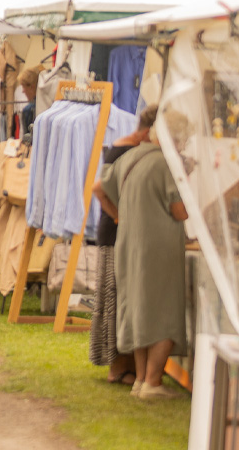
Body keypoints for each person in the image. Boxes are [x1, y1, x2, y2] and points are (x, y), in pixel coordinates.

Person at [93, 109, 188, 400]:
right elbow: (179, 211)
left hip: (129, 244)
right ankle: (153, 382)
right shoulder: (166, 164)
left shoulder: (130, 157)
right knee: (165, 314)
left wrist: (120, 216)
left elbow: (99, 187)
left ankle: (142, 381)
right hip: (159, 246)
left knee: (138, 311)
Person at [89, 106, 156, 387]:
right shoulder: (125, 150)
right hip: (115, 235)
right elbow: (98, 189)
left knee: (117, 299)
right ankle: (117, 368)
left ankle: (122, 366)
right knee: (115, 299)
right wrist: (119, 216)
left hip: (117, 233)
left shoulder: (123, 148)